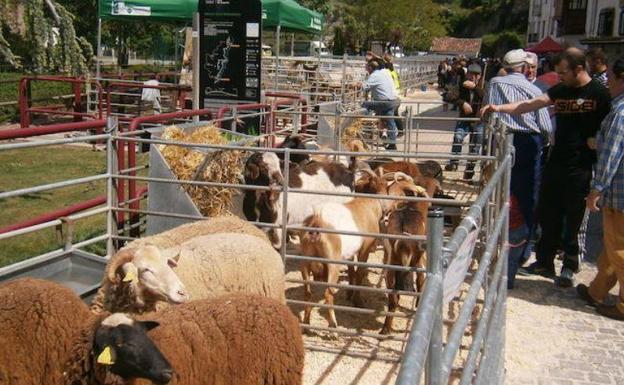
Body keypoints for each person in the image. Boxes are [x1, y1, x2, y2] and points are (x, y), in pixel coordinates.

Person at [482, 48, 611, 287]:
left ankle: (570, 266)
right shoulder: (561, 90)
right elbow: (530, 104)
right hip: (557, 159)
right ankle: (544, 261)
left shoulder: (600, 94)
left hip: (582, 164)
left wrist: (598, 143)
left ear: (579, 69)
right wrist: (498, 108)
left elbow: (611, 127)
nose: (559, 76)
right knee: (548, 210)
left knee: (574, 216)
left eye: (563, 72)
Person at [480, 49, 553, 284]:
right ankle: (520, 253)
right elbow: (545, 125)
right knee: (525, 199)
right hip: (527, 143)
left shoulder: (494, 83)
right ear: (523, 67)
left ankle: (496, 245)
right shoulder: (534, 90)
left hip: (498, 141)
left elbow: (486, 112)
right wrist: (546, 141)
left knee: (500, 195)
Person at [577, 57, 624, 321]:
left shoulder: (620, 112)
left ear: (620, 79)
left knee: (619, 249)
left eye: (611, 80)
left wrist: (596, 189)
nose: (608, 86)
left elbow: (612, 156)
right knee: (613, 246)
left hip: (619, 192)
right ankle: (597, 291)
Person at [445, 63, 485, 181]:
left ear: (480, 76)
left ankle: (469, 171)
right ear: (467, 74)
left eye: (476, 74)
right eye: (471, 73)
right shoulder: (461, 85)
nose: (473, 76)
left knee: (475, 147)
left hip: (479, 121)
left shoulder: (485, 85)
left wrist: (475, 88)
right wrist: (462, 103)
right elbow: (449, 96)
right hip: (465, 118)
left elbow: (486, 97)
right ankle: (454, 162)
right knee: (458, 137)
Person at [360, 59, 400, 150]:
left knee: (365, 104)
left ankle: (363, 124)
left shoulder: (374, 75)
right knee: (390, 121)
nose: (366, 68)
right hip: (393, 100)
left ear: (370, 67)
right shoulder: (385, 72)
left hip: (384, 102)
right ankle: (392, 144)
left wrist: (356, 84)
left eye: (367, 66)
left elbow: (364, 86)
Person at [384, 53, 403, 136]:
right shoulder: (394, 72)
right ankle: (400, 131)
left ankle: (389, 135)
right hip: (397, 94)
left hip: (393, 95)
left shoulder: (387, 73)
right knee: (395, 114)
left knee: (389, 115)